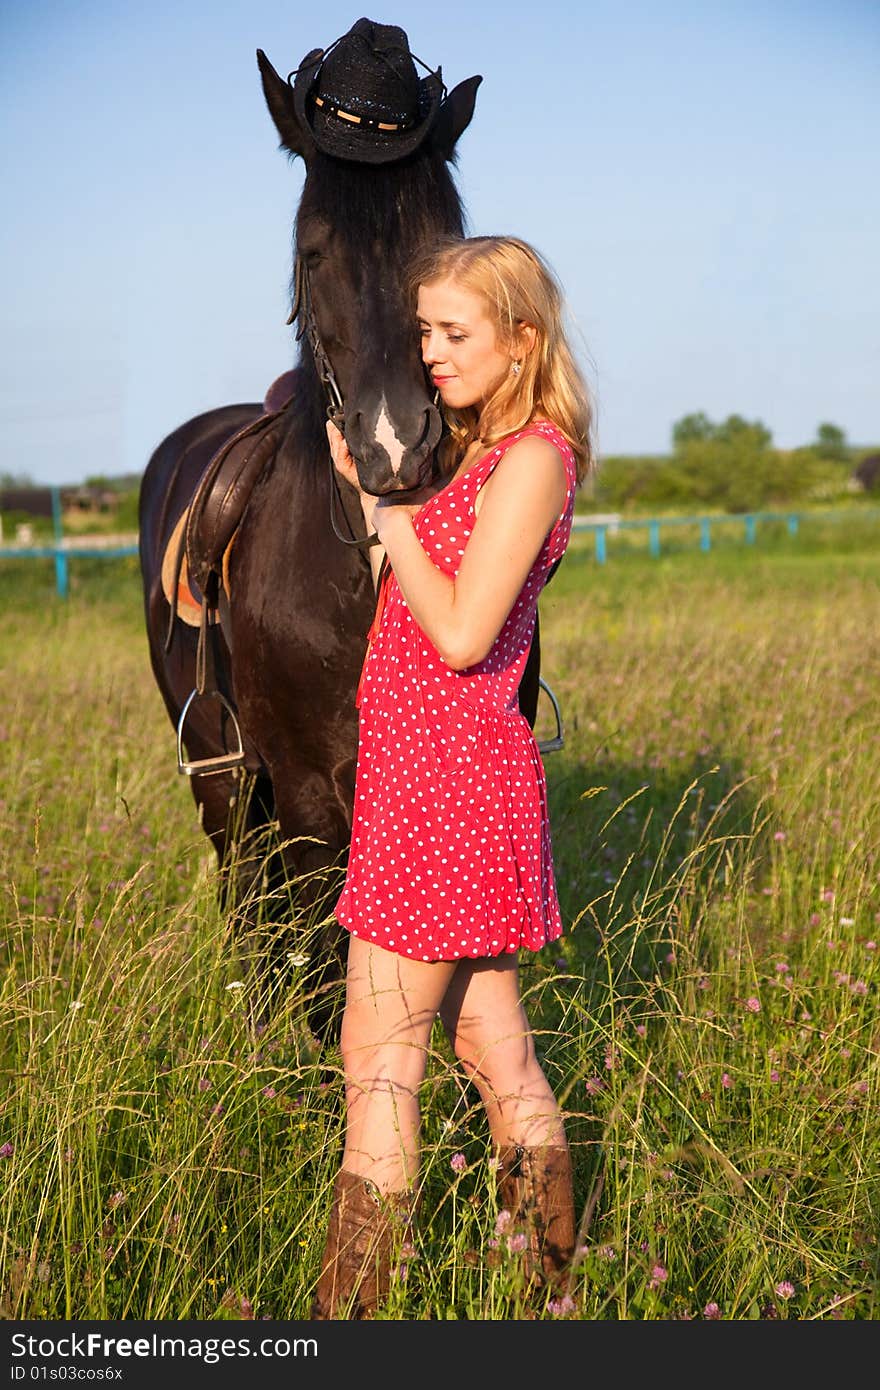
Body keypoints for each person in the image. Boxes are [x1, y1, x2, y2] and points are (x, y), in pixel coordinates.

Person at [312, 233, 594, 1319]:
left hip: (445, 787)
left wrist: (389, 516)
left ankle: (354, 1327)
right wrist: (383, 501)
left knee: (377, 1064)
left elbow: (467, 633)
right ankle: (547, 1304)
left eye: (453, 332)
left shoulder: (532, 459)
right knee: (490, 1046)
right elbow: (422, 603)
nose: (429, 351)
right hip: (429, 779)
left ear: (521, 339)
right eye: (424, 329)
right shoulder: (486, 454)